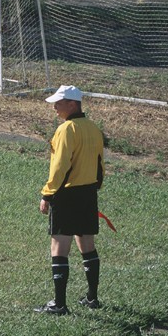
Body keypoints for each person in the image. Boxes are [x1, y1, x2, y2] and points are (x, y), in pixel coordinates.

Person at [36, 84, 106, 315]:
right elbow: (100, 164)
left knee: (59, 246)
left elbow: (60, 166)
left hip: (66, 193)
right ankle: (92, 298)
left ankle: (59, 304)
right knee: (87, 244)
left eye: (59, 103)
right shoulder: (94, 128)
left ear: (73, 104)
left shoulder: (67, 129)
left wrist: (48, 193)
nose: (55, 107)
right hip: (88, 193)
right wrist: (94, 187)